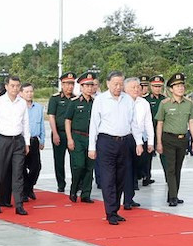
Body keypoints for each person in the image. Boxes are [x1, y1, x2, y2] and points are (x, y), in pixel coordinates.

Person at [88, 71, 143, 225]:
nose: (118, 87)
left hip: (124, 142)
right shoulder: (100, 100)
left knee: (120, 178)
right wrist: (92, 147)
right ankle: (110, 212)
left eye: (120, 84)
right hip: (106, 142)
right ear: (108, 84)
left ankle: (115, 209)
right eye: (115, 84)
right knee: (108, 178)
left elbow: (134, 122)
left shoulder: (128, 100)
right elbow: (94, 124)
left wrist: (139, 142)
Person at [0, 76, 30, 215]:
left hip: (18, 140)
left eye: (17, 86)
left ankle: (19, 204)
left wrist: (27, 142)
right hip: (2, 139)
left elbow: (25, 123)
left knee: (18, 173)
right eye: (12, 86)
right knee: (0, 172)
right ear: (6, 86)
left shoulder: (22, 103)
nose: (15, 88)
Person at [155, 73, 193, 207]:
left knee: (178, 168)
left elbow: (191, 122)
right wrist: (159, 142)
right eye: (177, 86)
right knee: (171, 169)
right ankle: (173, 196)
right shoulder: (165, 104)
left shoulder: (188, 104)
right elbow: (160, 123)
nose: (180, 88)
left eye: (182, 86)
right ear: (171, 89)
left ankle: (173, 195)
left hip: (182, 139)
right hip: (168, 139)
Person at [65, 73, 97, 203]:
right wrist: (69, 139)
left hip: (91, 138)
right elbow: (68, 120)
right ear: (81, 87)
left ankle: (86, 194)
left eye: (91, 85)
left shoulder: (96, 103)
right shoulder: (74, 102)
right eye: (86, 86)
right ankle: (74, 189)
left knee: (89, 167)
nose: (89, 88)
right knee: (79, 165)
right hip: (77, 137)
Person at [123, 77, 154, 210]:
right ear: (125, 89)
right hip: (125, 138)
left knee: (136, 168)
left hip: (140, 139)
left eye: (138, 87)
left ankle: (130, 196)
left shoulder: (144, 103)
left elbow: (148, 123)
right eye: (133, 87)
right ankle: (127, 199)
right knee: (127, 168)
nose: (136, 89)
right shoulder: (121, 102)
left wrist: (150, 141)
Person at [48, 72, 76, 193]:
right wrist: (55, 133)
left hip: (72, 134)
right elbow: (51, 116)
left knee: (75, 161)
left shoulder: (76, 99)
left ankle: (76, 183)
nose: (70, 86)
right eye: (67, 84)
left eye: (72, 84)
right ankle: (61, 184)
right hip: (59, 132)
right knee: (59, 161)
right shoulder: (55, 99)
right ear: (62, 84)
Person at [21, 83, 45, 201]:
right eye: (27, 92)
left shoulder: (39, 107)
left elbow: (42, 125)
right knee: (22, 167)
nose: (29, 94)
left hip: (34, 140)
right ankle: (25, 191)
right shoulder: (19, 107)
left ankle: (29, 187)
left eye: (31, 91)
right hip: (21, 141)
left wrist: (42, 139)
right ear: (21, 93)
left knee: (36, 166)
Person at [142, 75, 166, 186]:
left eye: (159, 86)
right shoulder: (145, 100)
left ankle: (168, 177)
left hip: (162, 131)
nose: (157, 89)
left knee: (164, 155)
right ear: (151, 87)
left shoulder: (165, 100)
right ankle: (146, 176)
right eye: (155, 86)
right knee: (147, 156)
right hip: (150, 131)